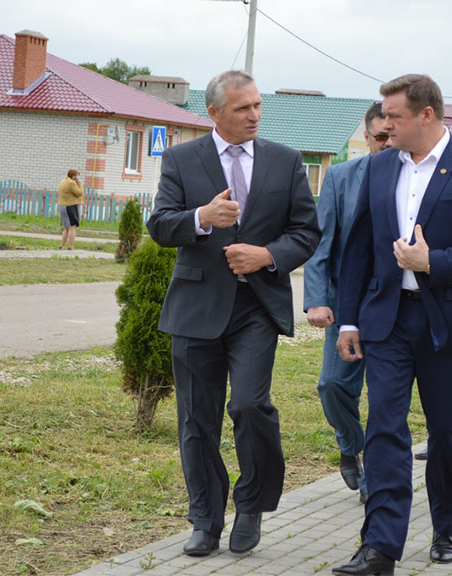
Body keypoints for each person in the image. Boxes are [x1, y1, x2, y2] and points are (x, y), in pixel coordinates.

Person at [332, 74, 452, 575]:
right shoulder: (379, 166)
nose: (384, 126)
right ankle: (380, 547)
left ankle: (446, 525)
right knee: (384, 428)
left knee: (447, 431)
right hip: (387, 320)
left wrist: (433, 262)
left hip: (448, 322)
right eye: (384, 116)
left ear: (427, 115)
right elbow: (358, 250)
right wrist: (348, 321)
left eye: (394, 116)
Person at [146, 70, 320, 557]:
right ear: (215, 113)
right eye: (243, 108)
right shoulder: (182, 159)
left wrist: (267, 255)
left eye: (258, 105)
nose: (254, 115)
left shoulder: (285, 161)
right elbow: (160, 225)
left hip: (256, 307)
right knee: (197, 421)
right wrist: (201, 218)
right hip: (196, 307)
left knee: (249, 405)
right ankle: (205, 519)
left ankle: (251, 505)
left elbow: (307, 231)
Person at [303, 102, 388, 503]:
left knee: (386, 395)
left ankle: (375, 475)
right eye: (380, 137)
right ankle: (351, 444)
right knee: (332, 384)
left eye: (393, 136)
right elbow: (322, 244)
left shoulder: (418, 179)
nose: (387, 144)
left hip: (395, 305)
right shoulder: (341, 177)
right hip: (346, 302)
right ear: (366, 138)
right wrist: (317, 300)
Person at [57, 169, 84, 250]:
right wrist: (80, 185)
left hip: (62, 206)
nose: (78, 178)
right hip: (70, 206)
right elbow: (79, 193)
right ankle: (71, 246)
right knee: (72, 227)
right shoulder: (72, 183)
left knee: (66, 227)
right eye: (77, 176)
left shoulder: (63, 181)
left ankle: (62, 245)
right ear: (73, 176)